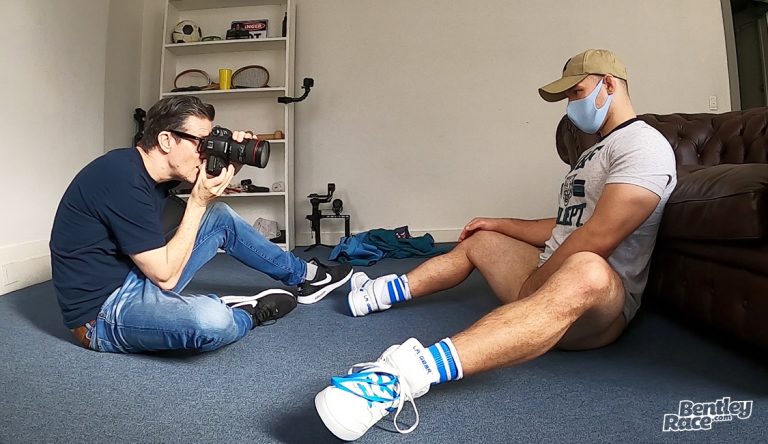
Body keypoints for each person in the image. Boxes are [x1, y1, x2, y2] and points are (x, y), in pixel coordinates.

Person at [314, 49, 677, 440]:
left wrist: (536, 283)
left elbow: (600, 236)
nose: (572, 105)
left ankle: (404, 377)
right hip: (549, 275)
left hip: (599, 303)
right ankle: (380, 292)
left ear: (609, 84)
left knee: (587, 267)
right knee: (483, 240)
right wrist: (499, 224)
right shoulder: (594, 151)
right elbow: (567, 226)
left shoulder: (644, 145)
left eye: (577, 92)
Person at [50, 95, 352, 354]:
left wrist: (234, 162)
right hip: (102, 317)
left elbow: (201, 197)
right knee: (211, 320)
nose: (206, 152)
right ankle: (246, 314)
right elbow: (166, 278)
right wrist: (197, 202)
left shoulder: (150, 171)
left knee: (218, 215)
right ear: (166, 140)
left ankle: (308, 276)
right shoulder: (121, 179)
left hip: (135, 275)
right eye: (200, 143)